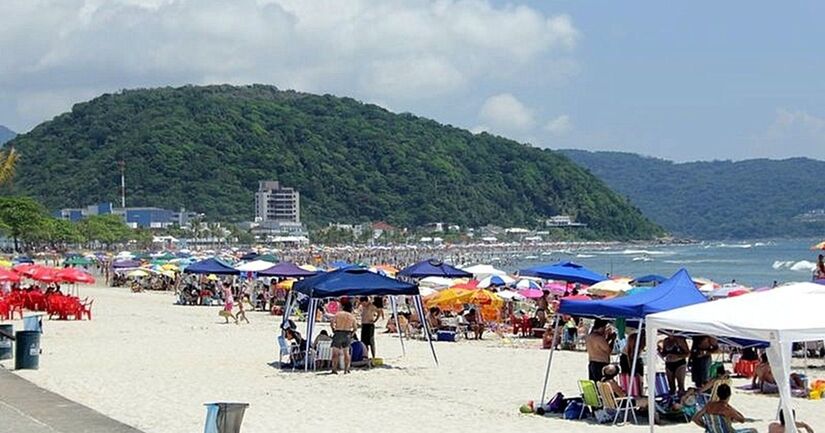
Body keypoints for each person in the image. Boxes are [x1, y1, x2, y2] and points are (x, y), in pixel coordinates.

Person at [692, 384, 756, 433]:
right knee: (753, 431)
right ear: (729, 395)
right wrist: (730, 407)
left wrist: (706, 427)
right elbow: (742, 419)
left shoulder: (708, 405)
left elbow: (695, 418)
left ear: (717, 394)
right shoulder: (726, 409)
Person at [331, 300, 357, 374]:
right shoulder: (351, 316)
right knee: (346, 353)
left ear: (343, 307)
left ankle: (334, 369)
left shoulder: (338, 314)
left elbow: (332, 323)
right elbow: (355, 328)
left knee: (335, 353)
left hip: (338, 332)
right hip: (347, 333)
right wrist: (352, 334)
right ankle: (346, 369)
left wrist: (333, 330)